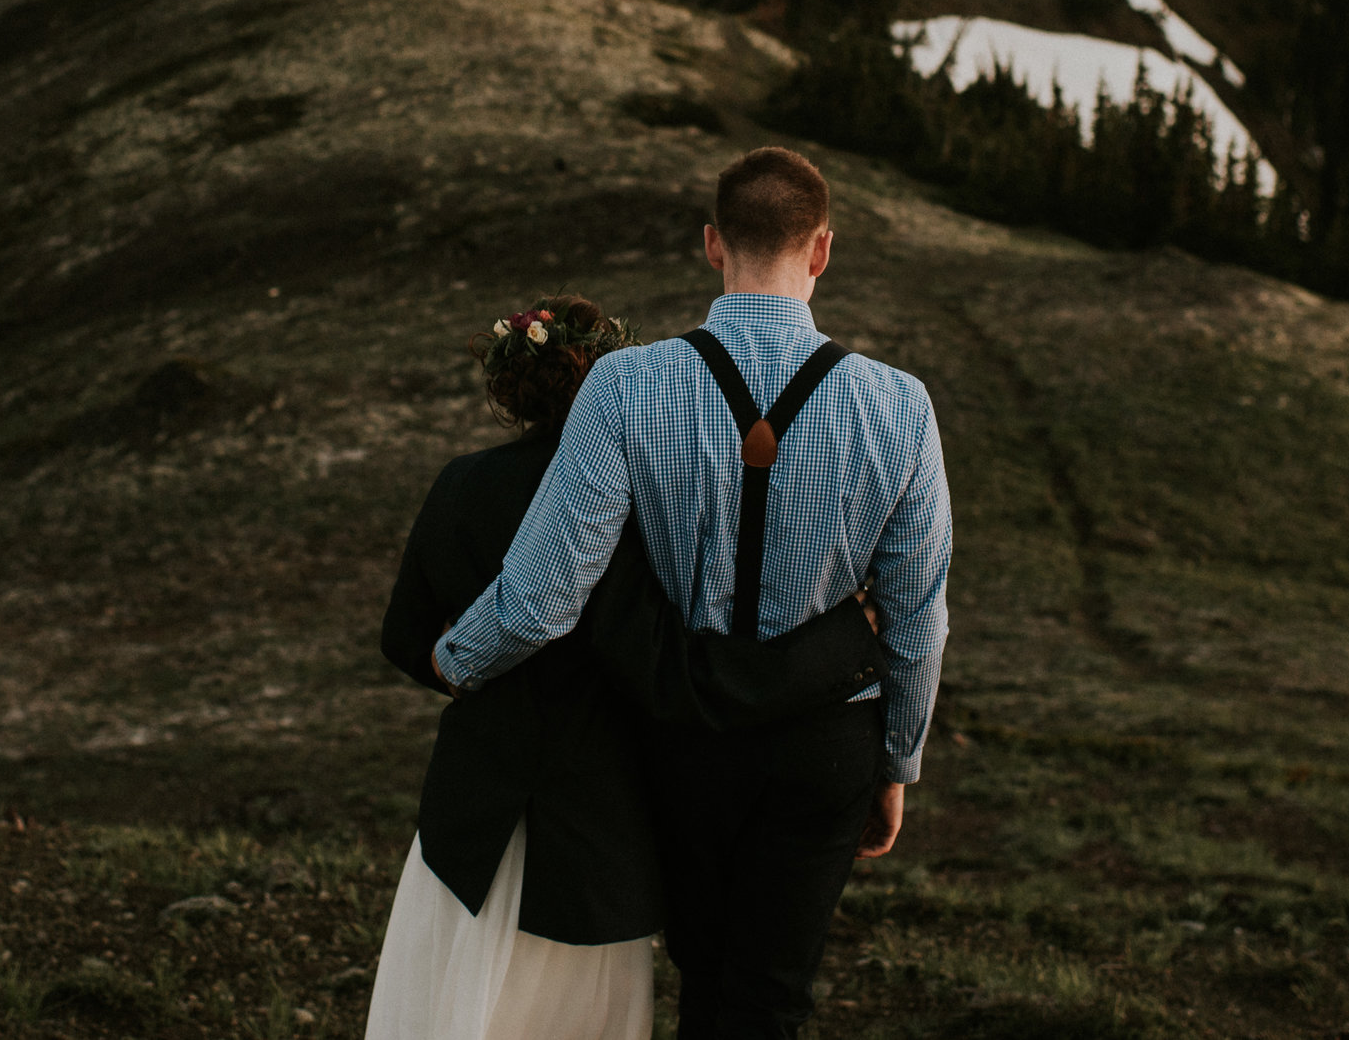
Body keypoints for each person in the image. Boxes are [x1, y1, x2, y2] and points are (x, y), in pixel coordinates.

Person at [436, 148, 952, 1038]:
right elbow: (916, 617)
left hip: (684, 740)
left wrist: (452, 658)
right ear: (822, 250)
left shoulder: (626, 386)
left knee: (703, 972)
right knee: (768, 998)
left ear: (713, 244)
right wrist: (896, 762)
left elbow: (543, 597)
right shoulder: (901, 406)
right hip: (829, 743)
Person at [370, 294, 886, 1040]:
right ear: (607, 380)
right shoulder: (620, 498)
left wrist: (459, 667)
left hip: (468, 816)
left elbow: (400, 638)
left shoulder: (459, 482)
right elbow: (673, 670)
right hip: (589, 828)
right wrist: (840, 646)